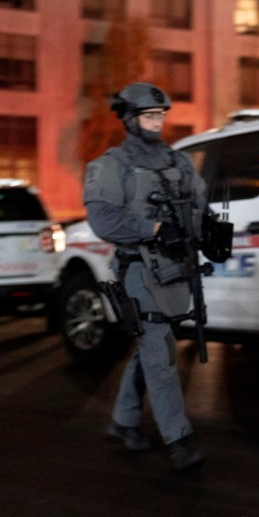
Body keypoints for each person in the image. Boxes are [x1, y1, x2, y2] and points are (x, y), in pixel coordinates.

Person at [84, 82, 208, 472]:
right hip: (138, 268)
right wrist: (151, 229)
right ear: (130, 119)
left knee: (151, 348)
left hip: (175, 270)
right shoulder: (112, 165)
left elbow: (199, 203)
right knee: (160, 352)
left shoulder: (177, 161)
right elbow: (103, 218)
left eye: (160, 116)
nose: (157, 123)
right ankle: (179, 440)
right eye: (149, 116)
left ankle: (123, 421)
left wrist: (208, 231)